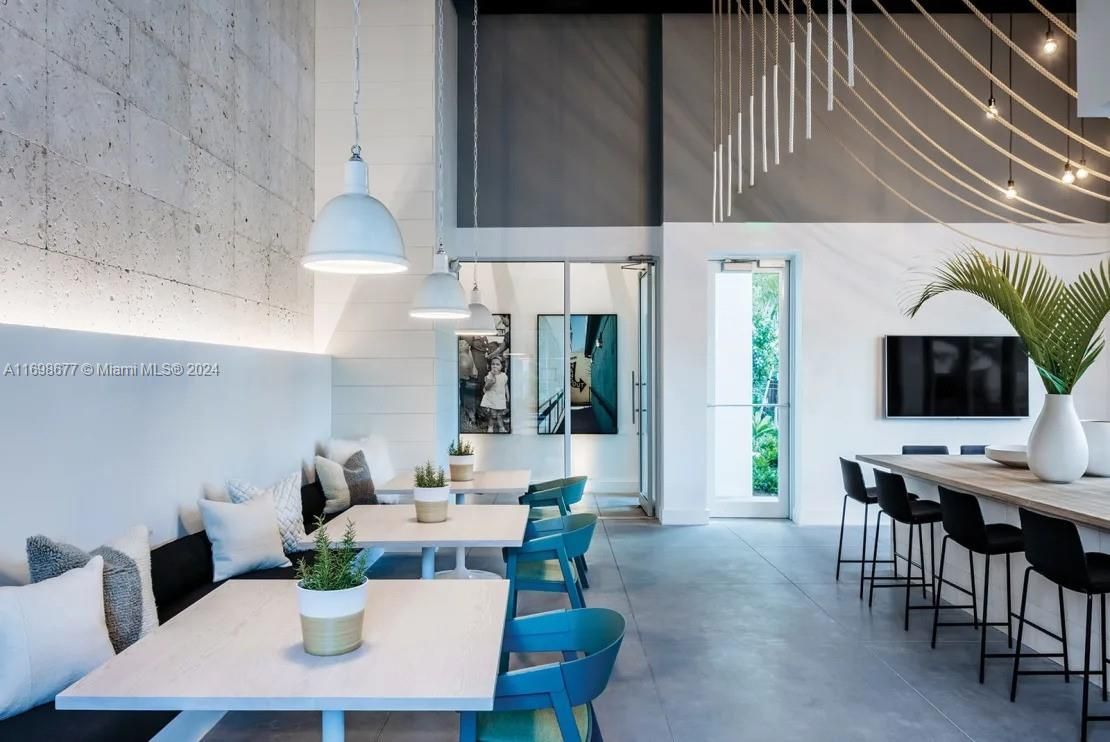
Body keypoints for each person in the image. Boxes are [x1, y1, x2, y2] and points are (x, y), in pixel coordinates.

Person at [480, 356, 509, 433]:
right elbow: (486, 388)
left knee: (499, 415)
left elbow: (505, 386)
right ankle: (490, 427)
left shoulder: (504, 376)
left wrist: (507, 396)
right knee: (492, 415)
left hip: (500, 398)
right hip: (492, 398)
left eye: (497, 364)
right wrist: (492, 380)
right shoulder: (489, 375)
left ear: (502, 366)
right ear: (490, 366)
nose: (495, 366)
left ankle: (501, 427)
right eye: (493, 364)